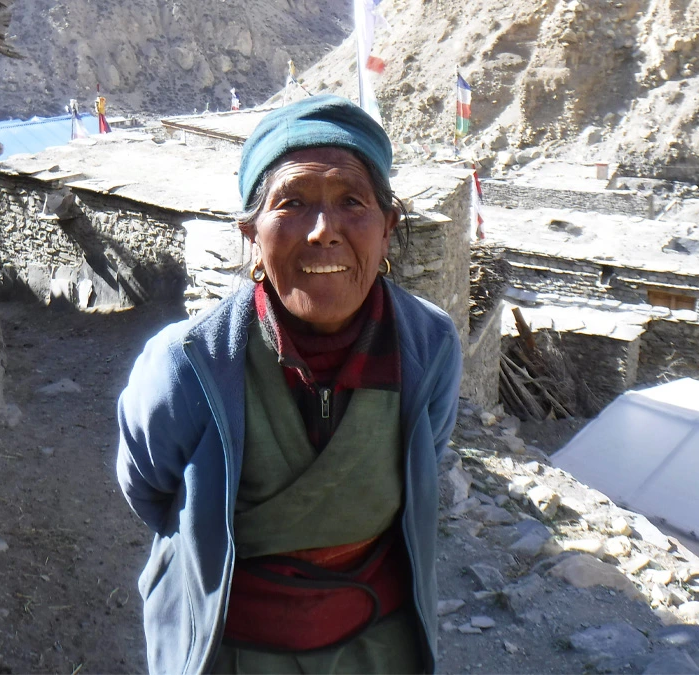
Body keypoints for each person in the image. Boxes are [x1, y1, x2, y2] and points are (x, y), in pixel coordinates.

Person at [117, 95, 463, 674]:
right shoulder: (186, 363)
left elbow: (424, 464)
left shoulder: (430, 347)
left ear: (387, 228)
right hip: (230, 650)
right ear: (252, 233)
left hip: (378, 646)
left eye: (352, 202)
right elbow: (150, 490)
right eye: (292, 203)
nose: (323, 231)